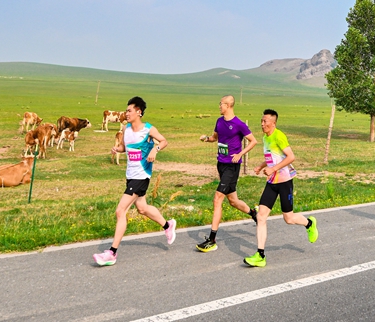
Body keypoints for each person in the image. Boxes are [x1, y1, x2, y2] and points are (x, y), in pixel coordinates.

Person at [93, 97, 175, 266]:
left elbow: (164, 141)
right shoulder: (126, 129)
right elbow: (126, 147)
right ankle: (167, 225)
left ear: (139, 112)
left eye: (129, 110)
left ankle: (112, 253)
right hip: (130, 175)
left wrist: (155, 148)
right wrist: (118, 149)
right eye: (126, 110)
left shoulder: (148, 129)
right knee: (142, 209)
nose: (126, 113)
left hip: (142, 175)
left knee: (120, 210)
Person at [243, 109, 318, 267]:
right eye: (261, 121)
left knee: (288, 218)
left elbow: (291, 157)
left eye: (265, 122)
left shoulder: (279, 136)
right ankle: (260, 255)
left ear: (273, 123)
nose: (262, 124)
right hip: (272, 181)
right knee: (261, 217)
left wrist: (273, 169)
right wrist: (261, 166)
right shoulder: (265, 137)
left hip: (284, 182)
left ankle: (309, 224)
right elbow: (271, 157)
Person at [195, 95, 258, 253]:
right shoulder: (219, 121)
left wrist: (240, 154)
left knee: (218, 198)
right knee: (233, 201)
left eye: (221, 104)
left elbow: (253, 141)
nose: (219, 106)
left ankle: (212, 239)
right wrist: (206, 138)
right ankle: (253, 213)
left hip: (232, 166)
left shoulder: (238, 124)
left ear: (229, 105)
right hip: (221, 164)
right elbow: (215, 138)